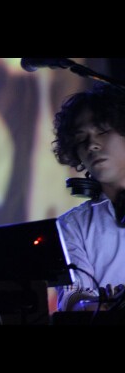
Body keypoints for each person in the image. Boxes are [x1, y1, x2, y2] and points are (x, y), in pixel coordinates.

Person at [52, 82, 125, 311]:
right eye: (81, 139)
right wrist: (94, 305)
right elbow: (72, 294)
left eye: (102, 131)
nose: (92, 144)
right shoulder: (71, 226)